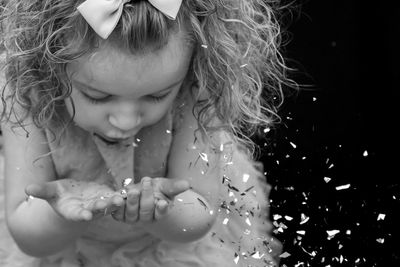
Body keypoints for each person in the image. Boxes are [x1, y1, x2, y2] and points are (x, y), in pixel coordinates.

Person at [0, 0, 288, 266]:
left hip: (170, 251)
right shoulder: (27, 87)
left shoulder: (198, 83)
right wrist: (62, 212)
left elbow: (199, 214)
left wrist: (160, 213)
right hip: (64, 252)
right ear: (49, 66)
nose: (125, 121)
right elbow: (28, 236)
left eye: (156, 96)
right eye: (98, 97)